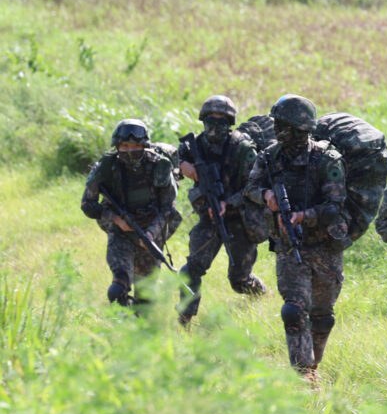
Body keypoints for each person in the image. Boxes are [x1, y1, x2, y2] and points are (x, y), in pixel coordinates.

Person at [244, 95, 350, 383]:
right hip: (290, 246)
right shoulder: (269, 157)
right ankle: (303, 373)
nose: (278, 131)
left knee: (323, 315)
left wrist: (303, 216)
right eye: (277, 125)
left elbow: (335, 206)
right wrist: (265, 196)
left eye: (284, 126)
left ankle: (313, 363)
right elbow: (250, 188)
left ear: (300, 129)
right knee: (293, 310)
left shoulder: (327, 160)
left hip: (325, 245)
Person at [177, 95, 266, 325]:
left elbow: (254, 185)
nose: (215, 127)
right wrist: (182, 165)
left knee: (239, 280)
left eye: (221, 121)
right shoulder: (195, 145)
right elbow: (168, 157)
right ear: (203, 121)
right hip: (209, 218)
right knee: (191, 269)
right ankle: (184, 319)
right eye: (210, 121)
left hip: (240, 219)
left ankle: (261, 295)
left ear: (230, 123)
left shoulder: (243, 149)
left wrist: (230, 202)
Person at [81, 119, 181, 307]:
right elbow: (87, 204)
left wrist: (151, 234)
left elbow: (168, 208)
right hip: (120, 231)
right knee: (118, 287)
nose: (129, 151)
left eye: (135, 145)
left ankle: (139, 326)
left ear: (144, 145)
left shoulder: (159, 166)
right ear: (117, 146)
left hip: (153, 230)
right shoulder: (107, 167)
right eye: (124, 146)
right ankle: (121, 322)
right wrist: (116, 219)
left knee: (145, 298)